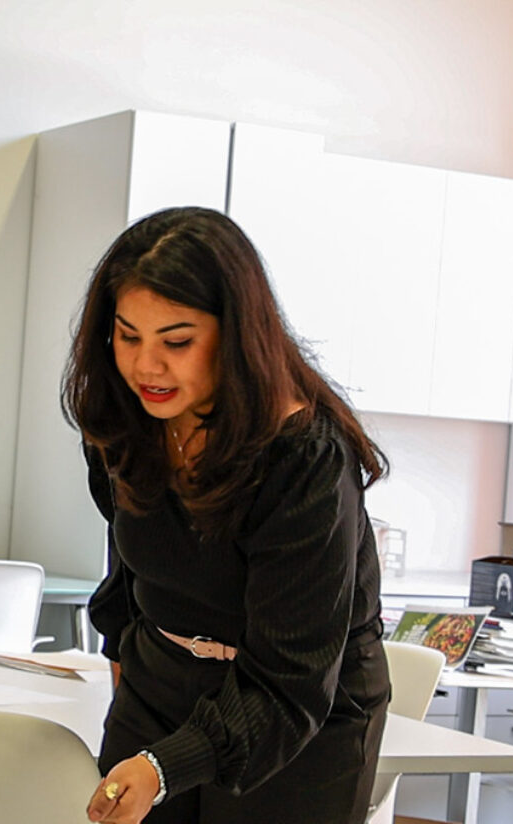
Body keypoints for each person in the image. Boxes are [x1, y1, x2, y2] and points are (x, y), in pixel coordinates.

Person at [62, 207, 392, 823]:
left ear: (237, 334)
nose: (146, 367)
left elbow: (292, 680)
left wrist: (167, 765)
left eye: (177, 342)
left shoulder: (306, 458)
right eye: (128, 336)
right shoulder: (121, 422)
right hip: (159, 686)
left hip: (298, 716)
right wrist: (129, 683)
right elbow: (129, 574)